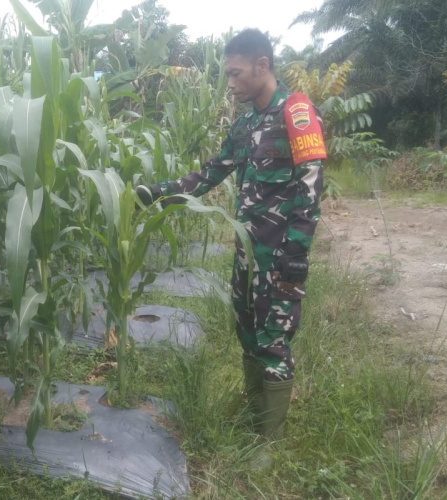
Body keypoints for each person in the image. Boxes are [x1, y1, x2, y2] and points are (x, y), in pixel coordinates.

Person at [138, 29, 325, 444]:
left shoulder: (295, 112)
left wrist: (297, 250)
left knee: (273, 337)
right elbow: (210, 172)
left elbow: (310, 183)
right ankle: (256, 412)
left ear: (263, 65)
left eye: (236, 73)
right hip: (247, 250)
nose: (231, 82)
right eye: (228, 74)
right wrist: (160, 193)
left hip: (279, 253)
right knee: (247, 329)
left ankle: (269, 441)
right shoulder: (245, 124)